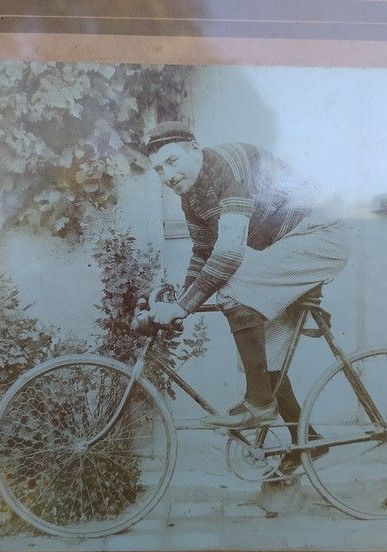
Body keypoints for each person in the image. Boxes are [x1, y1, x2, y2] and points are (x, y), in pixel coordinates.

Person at [140, 121, 351, 467]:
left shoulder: (226, 165)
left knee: (235, 294)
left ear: (194, 149)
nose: (167, 174)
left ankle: (259, 405)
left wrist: (182, 307)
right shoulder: (190, 198)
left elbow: (229, 254)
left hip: (322, 232)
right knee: (263, 356)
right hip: (290, 244)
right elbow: (203, 252)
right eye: (159, 169)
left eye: (172, 161)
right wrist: (180, 301)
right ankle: (306, 441)